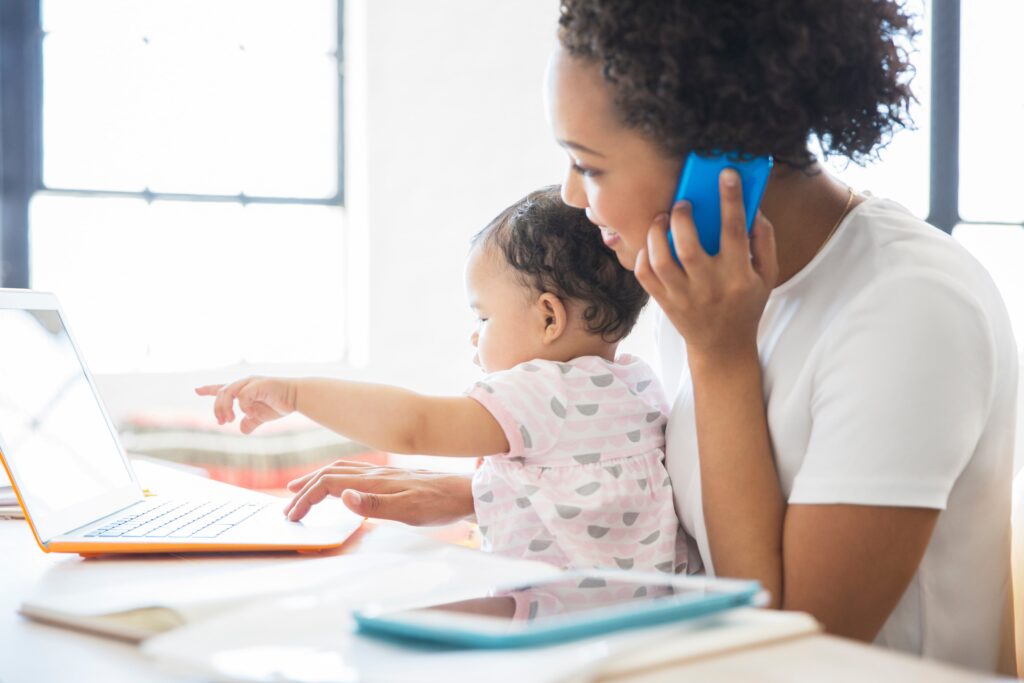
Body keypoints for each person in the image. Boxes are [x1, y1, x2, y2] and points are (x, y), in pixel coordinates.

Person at [281, 1, 1018, 672]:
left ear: (722, 155)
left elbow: (794, 641)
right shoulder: (691, 279)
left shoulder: (908, 309)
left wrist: (721, 355)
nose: (572, 194)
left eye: (589, 164)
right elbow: (667, 498)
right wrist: (481, 496)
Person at [197, 186, 690, 574]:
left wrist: (297, 393)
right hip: (638, 615)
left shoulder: (542, 392)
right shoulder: (637, 386)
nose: (473, 338)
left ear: (548, 319)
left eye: (482, 318)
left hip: (554, 618)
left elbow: (414, 425)